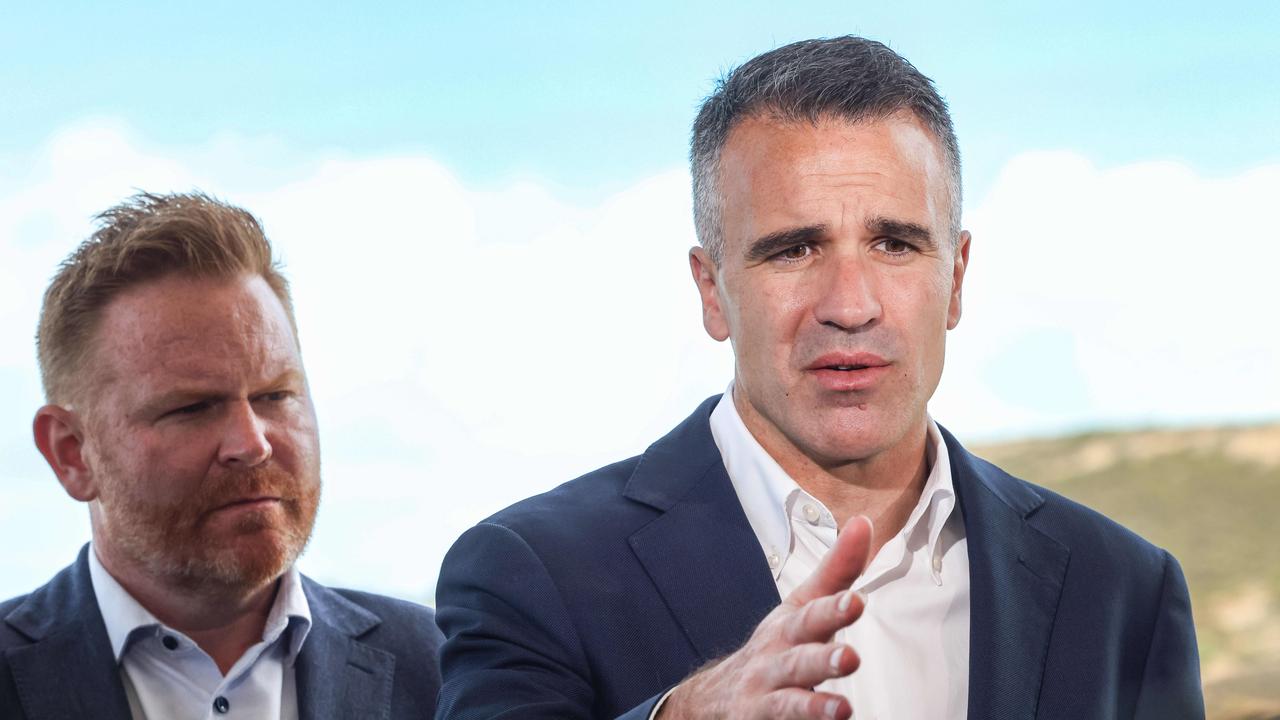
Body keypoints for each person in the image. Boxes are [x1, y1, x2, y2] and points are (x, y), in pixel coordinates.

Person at [434, 36, 1204, 720]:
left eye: (896, 245)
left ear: (958, 279)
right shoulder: (530, 573)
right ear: (713, 291)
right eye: (794, 249)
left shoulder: (1124, 590)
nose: (850, 304)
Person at [0, 192, 442, 720]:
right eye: (193, 407)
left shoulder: (446, 669)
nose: (252, 444)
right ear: (72, 453)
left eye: (275, 396)